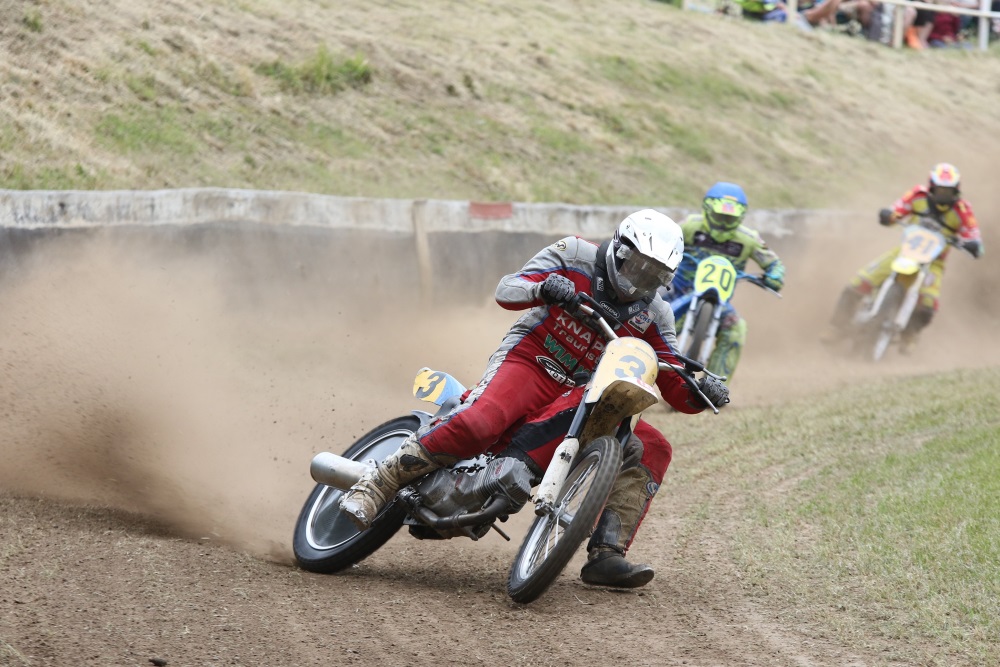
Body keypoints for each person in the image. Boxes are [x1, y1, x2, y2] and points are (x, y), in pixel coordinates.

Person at [340, 209, 730, 588]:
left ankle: (608, 553)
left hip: (585, 392)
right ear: (619, 250)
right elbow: (507, 289)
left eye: (655, 275)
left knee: (655, 447)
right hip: (531, 360)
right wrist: (543, 288)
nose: (641, 280)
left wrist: (701, 390)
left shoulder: (657, 314)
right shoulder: (574, 254)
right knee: (481, 422)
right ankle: (381, 478)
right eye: (638, 267)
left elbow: (670, 373)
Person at [823, 163, 984, 350]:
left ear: (956, 190)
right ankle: (836, 327)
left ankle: (910, 335)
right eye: (940, 189)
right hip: (904, 252)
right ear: (931, 186)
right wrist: (888, 215)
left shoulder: (963, 210)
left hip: (934, 262)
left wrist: (972, 245)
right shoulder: (917, 195)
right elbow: (897, 210)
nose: (943, 195)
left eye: (948, 191)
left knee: (929, 304)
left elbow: (973, 236)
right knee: (857, 284)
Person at [667, 182, 785, 384]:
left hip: (719, 301)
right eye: (720, 216)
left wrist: (774, 276)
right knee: (644, 317)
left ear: (740, 217)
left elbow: (774, 263)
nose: (722, 223)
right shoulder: (688, 226)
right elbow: (663, 240)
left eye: (728, 218)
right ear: (707, 209)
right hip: (676, 292)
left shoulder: (749, 239)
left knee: (736, 328)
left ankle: (715, 387)